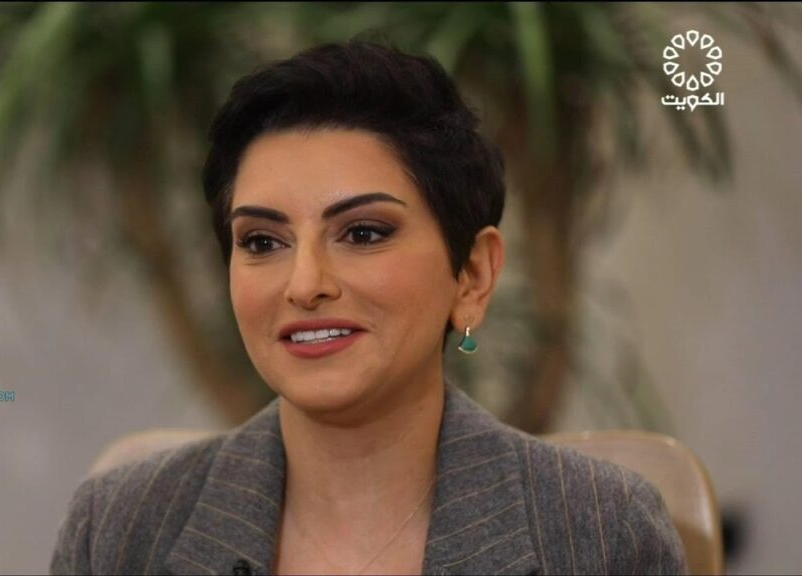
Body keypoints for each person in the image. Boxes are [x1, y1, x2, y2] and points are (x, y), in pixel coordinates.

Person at [50, 39, 687, 575]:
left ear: (471, 274)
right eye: (262, 242)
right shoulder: (119, 529)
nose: (304, 284)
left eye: (362, 233)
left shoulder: (599, 533)